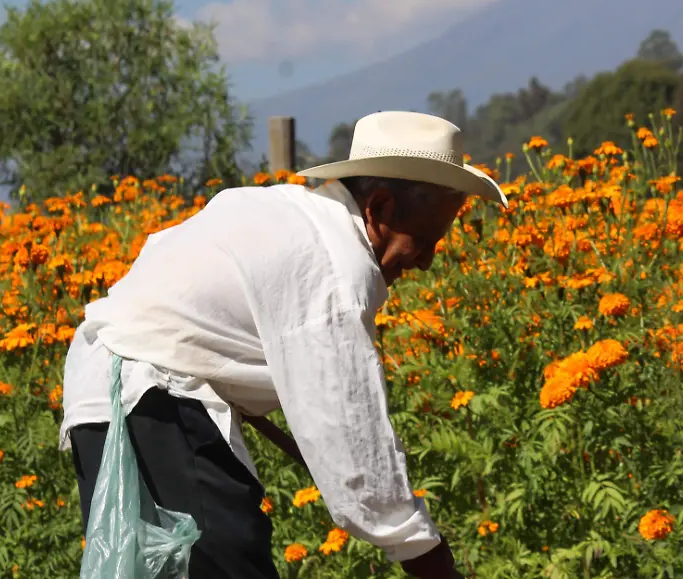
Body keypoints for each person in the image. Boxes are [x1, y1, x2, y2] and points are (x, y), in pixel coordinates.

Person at [59, 111, 507, 578]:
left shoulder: (291, 214)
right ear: (379, 208)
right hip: (149, 394)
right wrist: (423, 551)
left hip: (103, 389)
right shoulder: (333, 264)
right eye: (425, 240)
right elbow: (350, 428)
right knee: (228, 558)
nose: (428, 262)